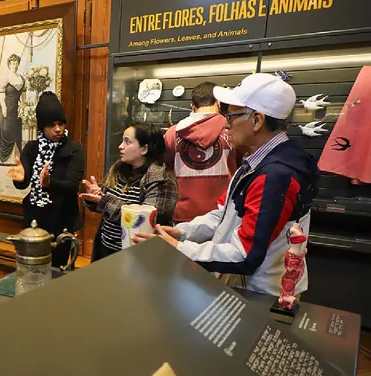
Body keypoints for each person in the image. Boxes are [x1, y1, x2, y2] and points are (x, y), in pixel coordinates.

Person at [134, 73, 319, 297]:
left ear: (257, 120)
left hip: (261, 293)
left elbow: (245, 255)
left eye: (231, 117)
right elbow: (224, 214)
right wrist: (182, 232)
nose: (226, 124)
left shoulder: (275, 174)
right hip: (246, 285)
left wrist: (178, 248)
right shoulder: (256, 162)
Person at [7, 91, 84, 268]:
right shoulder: (32, 148)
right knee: (33, 268)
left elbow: (72, 186)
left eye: (61, 123)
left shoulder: (74, 149)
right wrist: (19, 178)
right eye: (51, 125)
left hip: (62, 219)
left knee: (57, 271)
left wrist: (50, 184)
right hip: (35, 219)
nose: (58, 129)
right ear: (41, 127)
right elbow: (23, 183)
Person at [81, 122, 178, 261]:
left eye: (127, 142)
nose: (120, 146)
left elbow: (146, 220)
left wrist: (104, 201)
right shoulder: (120, 169)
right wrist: (96, 196)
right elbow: (111, 202)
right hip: (106, 247)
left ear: (144, 148)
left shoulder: (161, 178)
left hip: (137, 256)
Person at [164, 81, 237, 223]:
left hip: (183, 215)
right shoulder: (233, 132)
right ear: (218, 103)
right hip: (221, 215)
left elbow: (167, 168)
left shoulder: (172, 134)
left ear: (192, 106)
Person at [0, 54, 25, 164]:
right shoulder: (6, 77)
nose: (15, 65)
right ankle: (5, 158)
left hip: (17, 108)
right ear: (9, 64)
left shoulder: (21, 78)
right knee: (6, 130)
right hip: (7, 106)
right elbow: (0, 93)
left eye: (16, 63)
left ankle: (15, 157)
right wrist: (3, 107)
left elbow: (23, 95)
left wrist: (23, 107)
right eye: (13, 63)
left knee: (15, 130)